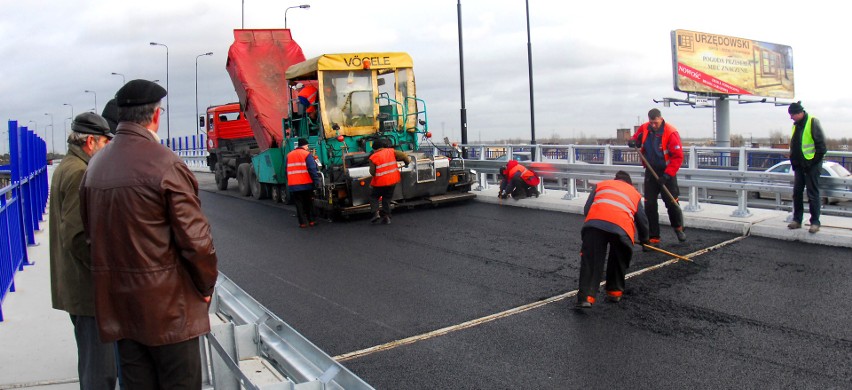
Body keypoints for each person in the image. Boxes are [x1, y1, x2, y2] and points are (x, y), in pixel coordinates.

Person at [80, 79, 219, 388]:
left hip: (122, 310)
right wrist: (205, 284)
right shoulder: (165, 163)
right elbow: (196, 241)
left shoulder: (95, 166)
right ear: (156, 115)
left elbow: (90, 235)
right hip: (170, 311)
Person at [49, 112, 116, 390]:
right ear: (91, 141)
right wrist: (108, 275)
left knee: (93, 365)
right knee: (99, 373)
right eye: (104, 143)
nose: (106, 149)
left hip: (76, 285)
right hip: (87, 290)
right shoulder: (79, 172)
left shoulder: (67, 165)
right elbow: (77, 236)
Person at [575, 171, 650, 308]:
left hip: (594, 224)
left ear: (615, 180)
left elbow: (587, 209)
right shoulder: (634, 193)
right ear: (629, 183)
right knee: (618, 259)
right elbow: (642, 220)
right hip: (621, 229)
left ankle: (586, 298)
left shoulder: (601, 185)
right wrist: (645, 240)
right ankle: (614, 293)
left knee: (591, 261)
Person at [629, 108, 686, 243]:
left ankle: (678, 228)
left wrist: (666, 176)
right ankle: (654, 236)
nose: (654, 125)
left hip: (667, 173)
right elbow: (636, 137)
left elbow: (678, 157)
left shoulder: (671, 133)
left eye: (656, 122)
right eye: (651, 122)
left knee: (672, 202)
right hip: (651, 171)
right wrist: (632, 141)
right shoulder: (645, 128)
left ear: (660, 118)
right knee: (650, 205)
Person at [786, 101, 827, 233]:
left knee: (812, 194)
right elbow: (796, 145)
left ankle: (815, 222)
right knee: (797, 193)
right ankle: (797, 220)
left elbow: (821, 148)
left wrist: (812, 163)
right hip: (799, 166)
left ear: (799, 113)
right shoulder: (796, 125)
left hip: (812, 166)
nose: (791, 117)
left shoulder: (812, 122)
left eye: (792, 115)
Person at [369, 138, 410, 224]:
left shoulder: (373, 157)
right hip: (392, 181)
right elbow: (404, 156)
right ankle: (387, 217)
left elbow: (372, 172)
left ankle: (376, 213)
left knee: (374, 197)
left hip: (380, 183)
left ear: (375, 148)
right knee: (386, 199)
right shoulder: (392, 151)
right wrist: (407, 163)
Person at [286, 137, 322, 228]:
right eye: (307, 145)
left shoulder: (289, 155)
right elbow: (312, 169)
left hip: (294, 185)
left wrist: (290, 181)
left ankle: (302, 223)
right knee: (309, 203)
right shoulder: (306, 154)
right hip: (306, 184)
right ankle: (312, 221)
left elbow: (285, 171)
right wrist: (316, 181)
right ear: (305, 145)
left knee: (299, 204)